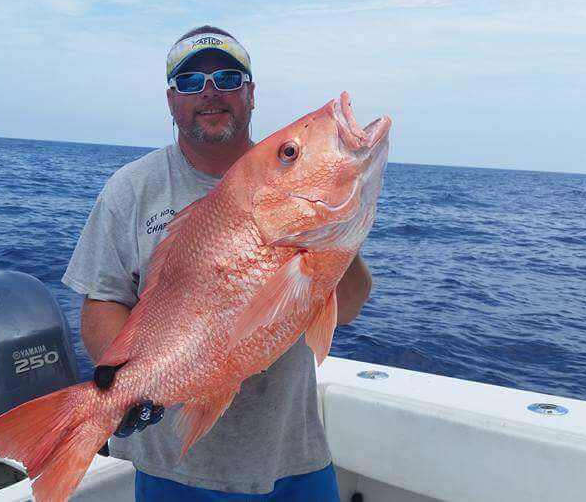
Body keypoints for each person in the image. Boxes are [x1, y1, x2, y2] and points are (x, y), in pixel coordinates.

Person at [62, 25, 373, 501]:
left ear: (251, 95)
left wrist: (328, 238)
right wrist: (128, 387)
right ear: (171, 101)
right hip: (173, 470)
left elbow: (345, 308)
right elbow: (102, 299)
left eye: (228, 78)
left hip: (293, 459)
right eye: (190, 83)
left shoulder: (291, 202)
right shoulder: (131, 189)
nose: (209, 92)